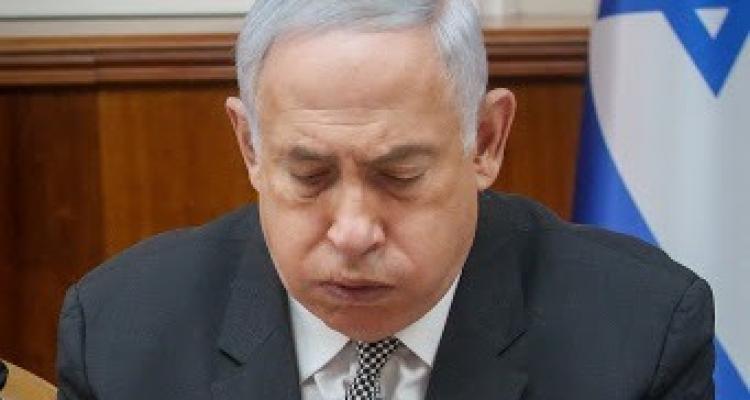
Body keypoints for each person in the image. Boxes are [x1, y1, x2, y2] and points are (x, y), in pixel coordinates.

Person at [56, 1, 715, 399]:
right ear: (250, 146)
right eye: (310, 175)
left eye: (400, 176)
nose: (353, 231)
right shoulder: (120, 335)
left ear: (486, 140)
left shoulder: (639, 334)